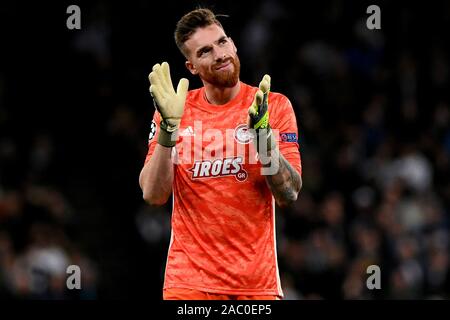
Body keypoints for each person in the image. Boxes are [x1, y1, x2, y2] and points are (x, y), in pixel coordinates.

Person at [139, 8, 302, 300]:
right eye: (205, 51)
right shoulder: (174, 110)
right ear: (191, 66)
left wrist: (263, 136)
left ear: (234, 43)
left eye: (223, 42)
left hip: (256, 284)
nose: (219, 54)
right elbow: (153, 194)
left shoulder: (272, 106)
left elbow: (288, 194)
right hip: (188, 283)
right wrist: (168, 130)